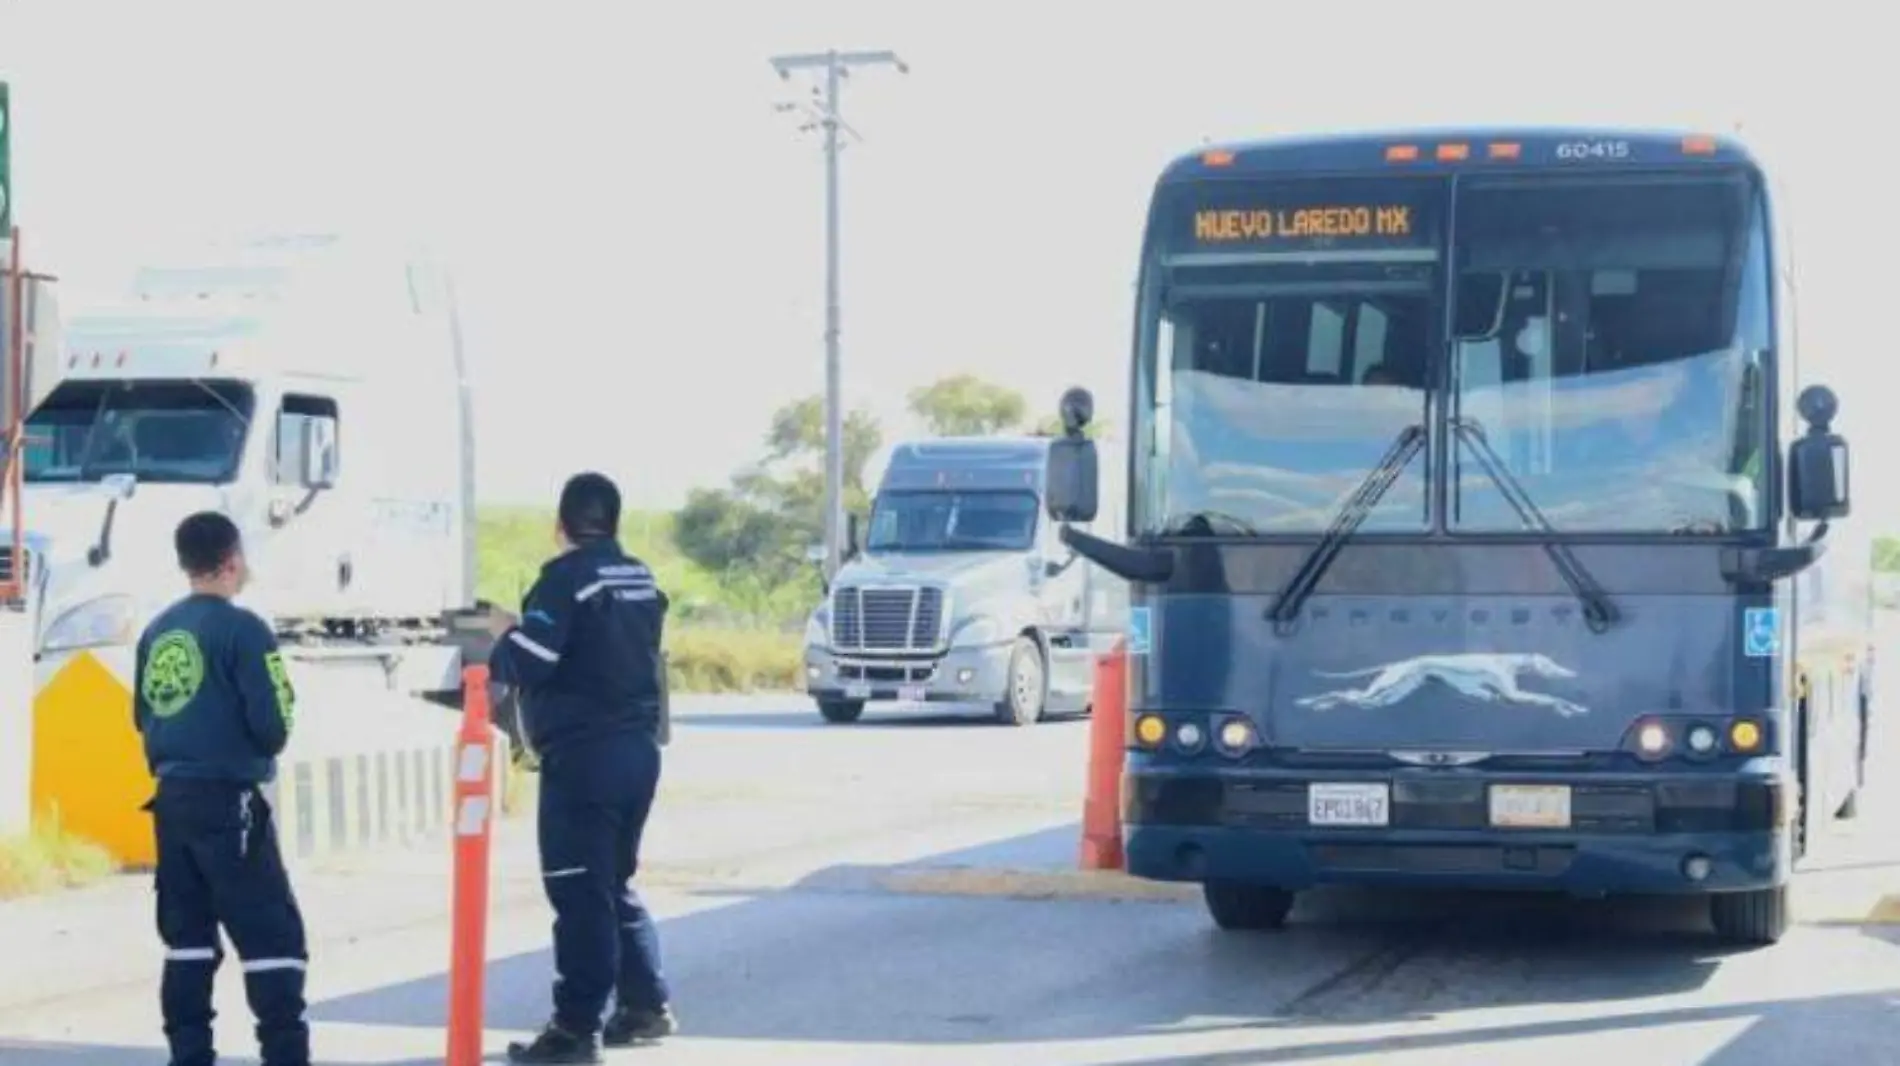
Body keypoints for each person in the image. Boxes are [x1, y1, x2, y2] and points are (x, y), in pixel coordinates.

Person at [488, 472, 676, 1064]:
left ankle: (575, 1030)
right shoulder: (640, 577)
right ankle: (645, 1005)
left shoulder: (565, 578)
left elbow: (530, 662)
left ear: (561, 525)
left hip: (585, 758)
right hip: (638, 753)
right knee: (612, 882)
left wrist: (502, 632)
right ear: (612, 522)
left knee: (578, 891)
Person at [135, 511, 308, 1066]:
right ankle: (284, 1054)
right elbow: (274, 722)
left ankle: (189, 1055)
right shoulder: (245, 629)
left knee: (186, 938)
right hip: (227, 800)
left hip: (171, 801)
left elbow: (144, 715)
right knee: (269, 935)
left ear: (185, 563)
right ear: (233, 561)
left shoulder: (158, 630)